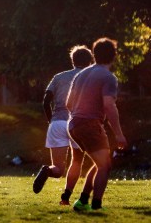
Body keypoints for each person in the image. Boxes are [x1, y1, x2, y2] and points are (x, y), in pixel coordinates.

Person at [65, 37, 127, 213]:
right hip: (89, 124)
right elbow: (109, 105)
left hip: (73, 124)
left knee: (101, 162)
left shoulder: (81, 74)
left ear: (94, 54)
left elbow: (69, 103)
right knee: (105, 166)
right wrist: (119, 134)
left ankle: (83, 201)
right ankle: (96, 206)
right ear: (114, 56)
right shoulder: (108, 77)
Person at [33, 45, 93, 205]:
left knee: (58, 169)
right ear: (89, 61)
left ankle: (47, 170)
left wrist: (51, 120)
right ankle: (65, 198)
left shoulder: (58, 77)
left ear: (73, 61)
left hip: (57, 123)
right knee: (77, 160)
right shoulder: (89, 77)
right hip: (77, 123)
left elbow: (46, 101)